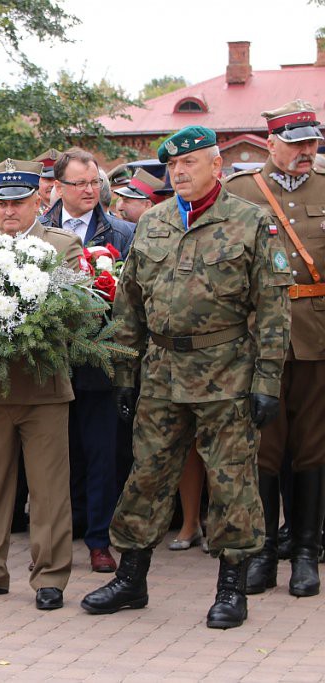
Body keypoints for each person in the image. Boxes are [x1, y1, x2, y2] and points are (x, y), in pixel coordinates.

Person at [81, 126, 293, 629]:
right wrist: (125, 373)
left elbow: (273, 310)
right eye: (173, 166)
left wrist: (266, 382)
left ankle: (231, 589)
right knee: (147, 475)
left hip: (227, 373)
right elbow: (128, 304)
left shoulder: (250, 223)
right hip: (160, 373)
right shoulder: (152, 223)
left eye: (190, 163)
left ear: (216, 166)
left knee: (231, 479)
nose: (179, 172)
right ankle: (131, 579)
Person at [0, 159, 83, 611]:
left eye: (19, 202)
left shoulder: (61, 246)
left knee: (48, 488)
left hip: (43, 387)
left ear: (38, 201)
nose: (9, 212)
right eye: (1, 203)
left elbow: (73, 312)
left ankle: (49, 576)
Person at [225, 99, 325, 597]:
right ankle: (262, 553)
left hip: (317, 337)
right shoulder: (239, 193)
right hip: (258, 339)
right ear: (271, 143)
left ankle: (306, 553)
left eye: (312, 141)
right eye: (297, 143)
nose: (308, 151)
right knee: (263, 449)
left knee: (312, 447)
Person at [43, 147, 135, 573]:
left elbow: (133, 299)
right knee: (61, 455)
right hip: (50, 361)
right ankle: (66, 530)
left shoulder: (120, 234)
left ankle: (100, 539)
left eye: (95, 182)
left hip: (100, 361)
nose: (90, 190)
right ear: (58, 187)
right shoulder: (38, 234)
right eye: (79, 183)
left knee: (102, 454)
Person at [33, 149, 60, 214]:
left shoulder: (76, 210)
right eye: (48, 179)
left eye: (58, 179)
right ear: (37, 181)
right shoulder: (29, 212)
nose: (53, 184)